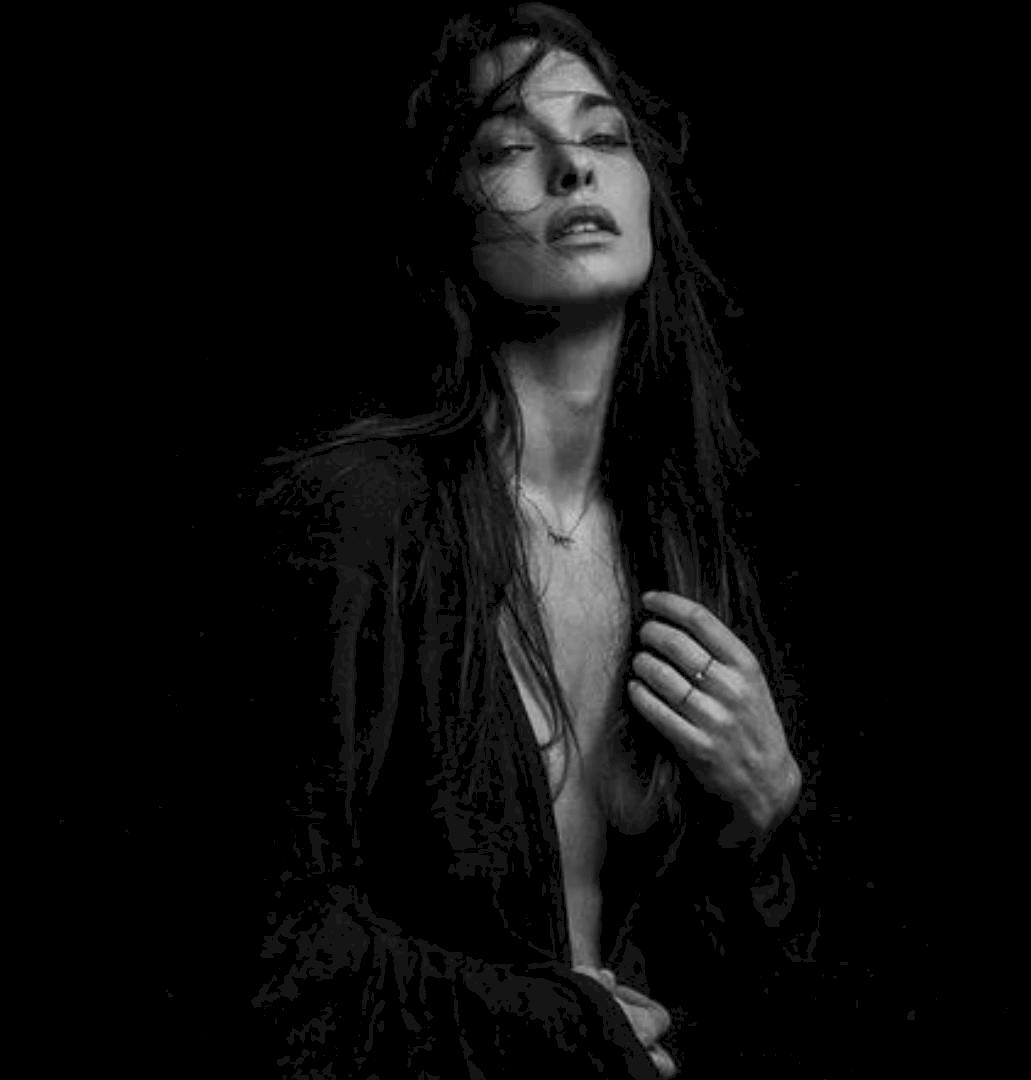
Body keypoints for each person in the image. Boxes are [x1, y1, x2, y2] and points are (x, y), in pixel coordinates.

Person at [248, 5, 816, 1076]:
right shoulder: (355, 519)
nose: (572, 166)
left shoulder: (689, 548)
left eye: (604, 136)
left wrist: (763, 816)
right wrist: (561, 1027)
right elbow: (264, 961)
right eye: (510, 148)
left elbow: (775, 1002)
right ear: (448, 216)